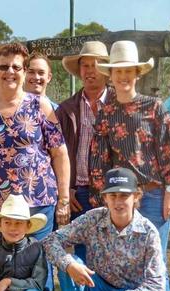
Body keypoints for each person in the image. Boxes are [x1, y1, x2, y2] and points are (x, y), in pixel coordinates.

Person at [89, 40, 170, 291]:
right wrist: (101, 197)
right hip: (120, 197)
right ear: (111, 74)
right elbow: (98, 159)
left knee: (154, 264)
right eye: (118, 71)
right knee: (122, 266)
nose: (123, 76)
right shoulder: (105, 112)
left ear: (137, 72)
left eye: (128, 71)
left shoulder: (156, 108)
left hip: (152, 195)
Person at [41, 168, 168, 291]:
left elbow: (156, 284)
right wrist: (68, 264)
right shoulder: (93, 218)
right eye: (112, 195)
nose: (118, 201)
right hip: (95, 289)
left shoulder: (149, 232)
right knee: (71, 266)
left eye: (124, 195)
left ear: (136, 197)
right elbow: (51, 241)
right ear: (105, 198)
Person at [0, 42, 70, 242]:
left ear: (24, 72)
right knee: (3, 267)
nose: (10, 72)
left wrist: (63, 200)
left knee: (38, 266)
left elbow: (60, 154)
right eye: (4, 67)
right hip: (0, 209)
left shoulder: (40, 105)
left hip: (38, 202)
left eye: (16, 67)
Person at [56, 41, 111, 259]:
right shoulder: (66, 108)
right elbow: (57, 153)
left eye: (95, 65)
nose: (89, 71)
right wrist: (67, 189)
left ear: (106, 70)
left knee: (111, 249)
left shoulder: (119, 105)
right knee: (83, 250)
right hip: (79, 191)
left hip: (111, 190)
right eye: (85, 65)